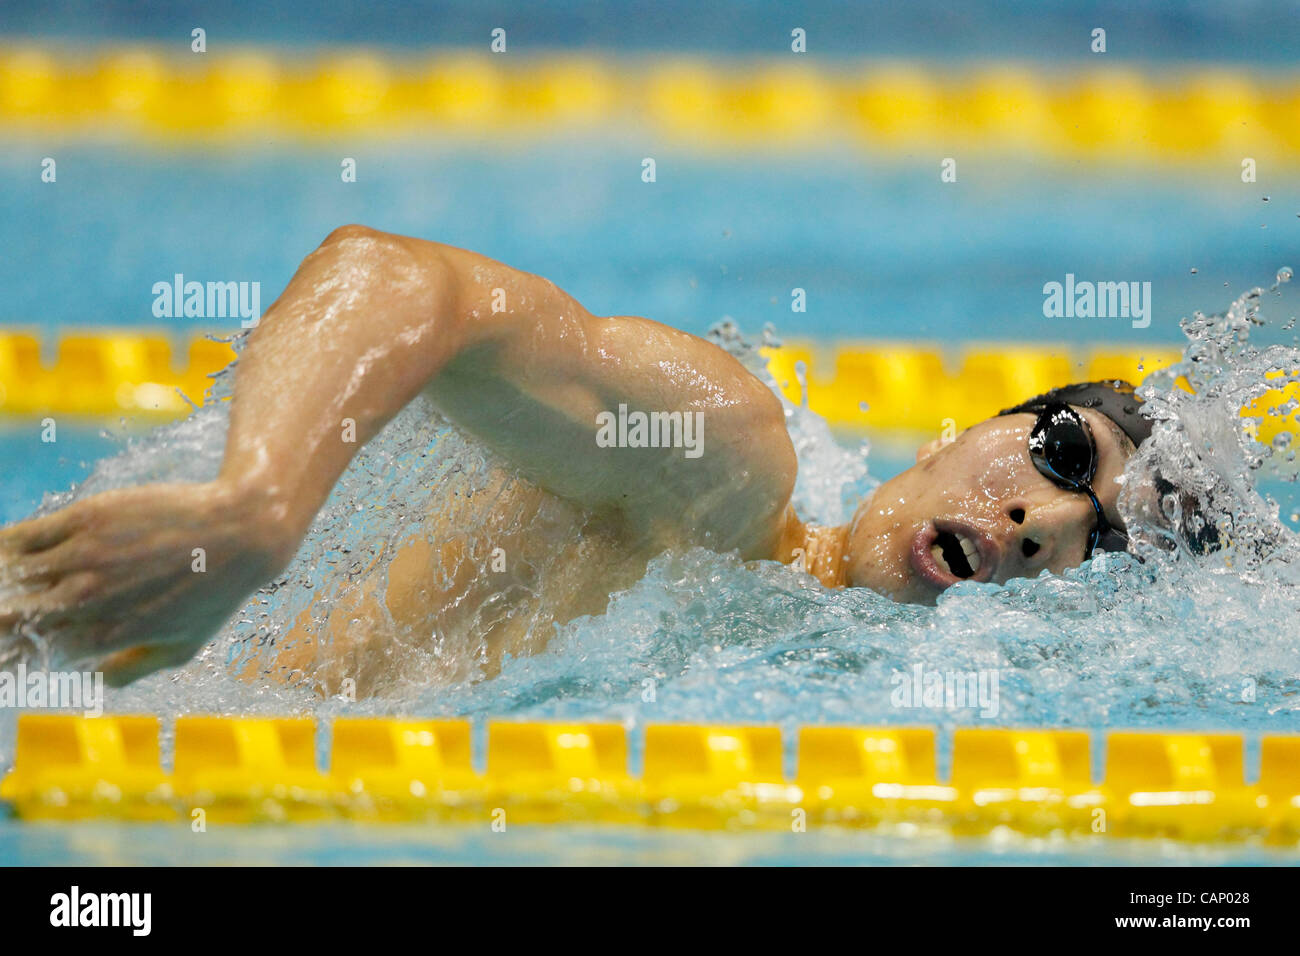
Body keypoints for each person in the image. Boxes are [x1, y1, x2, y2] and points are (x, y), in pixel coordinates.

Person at [0, 226, 1149, 693]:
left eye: (1090, 545)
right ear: (965, 428)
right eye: (1058, 452)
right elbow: (397, 277)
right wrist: (252, 511)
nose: (1042, 521)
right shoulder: (719, 465)